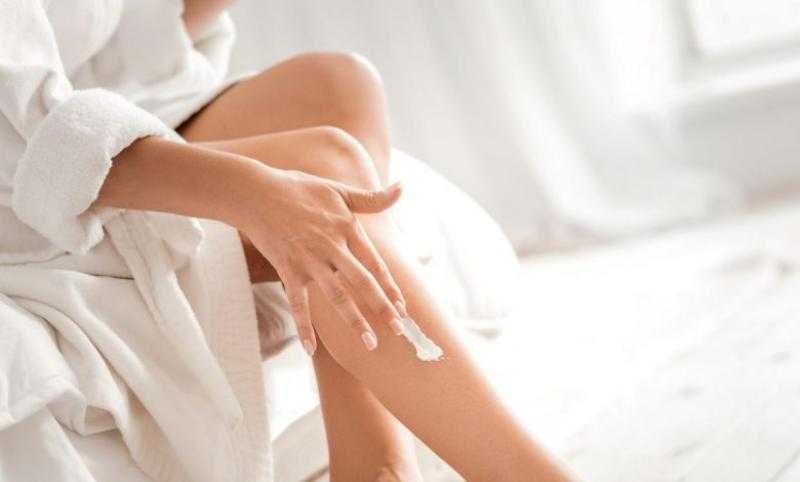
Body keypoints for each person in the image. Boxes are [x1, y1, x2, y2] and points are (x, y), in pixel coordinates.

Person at [0, 1, 573, 480]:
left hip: (105, 111)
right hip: (33, 185)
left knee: (336, 84)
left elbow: (118, 42)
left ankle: (374, 458)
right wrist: (252, 192)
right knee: (327, 160)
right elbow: (33, 133)